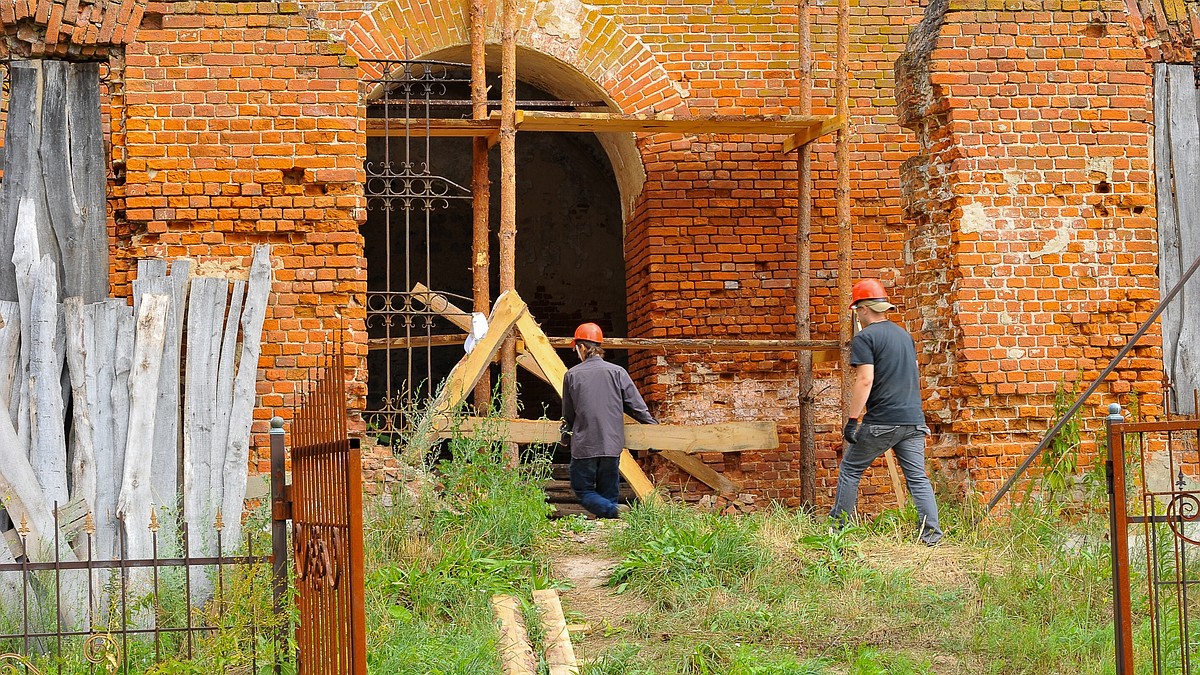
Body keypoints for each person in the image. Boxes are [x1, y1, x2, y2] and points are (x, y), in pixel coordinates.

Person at [830, 279, 943, 546]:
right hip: (913, 420)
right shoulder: (904, 336)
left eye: (857, 310)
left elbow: (865, 380)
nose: (857, 315)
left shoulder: (865, 337)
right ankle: (931, 537)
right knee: (917, 478)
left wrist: (852, 419)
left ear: (864, 309)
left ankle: (838, 531)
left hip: (883, 421)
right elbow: (913, 373)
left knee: (850, 469)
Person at [561, 322, 657, 518]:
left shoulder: (571, 375)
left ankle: (612, 511)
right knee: (608, 491)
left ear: (581, 347)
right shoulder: (617, 372)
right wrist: (653, 430)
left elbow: (568, 415)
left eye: (576, 348)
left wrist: (566, 435)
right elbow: (637, 406)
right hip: (611, 445)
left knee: (583, 490)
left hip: (585, 446)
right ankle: (611, 521)